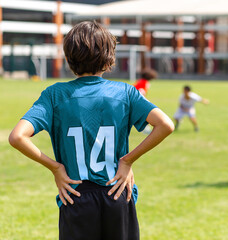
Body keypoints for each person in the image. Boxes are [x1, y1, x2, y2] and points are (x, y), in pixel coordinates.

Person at [8, 21, 174, 240]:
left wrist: (56, 168)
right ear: (110, 57)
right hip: (116, 191)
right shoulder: (124, 92)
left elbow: (17, 137)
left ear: (68, 58)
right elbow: (165, 124)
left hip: (75, 195)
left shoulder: (55, 95)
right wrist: (127, 161)